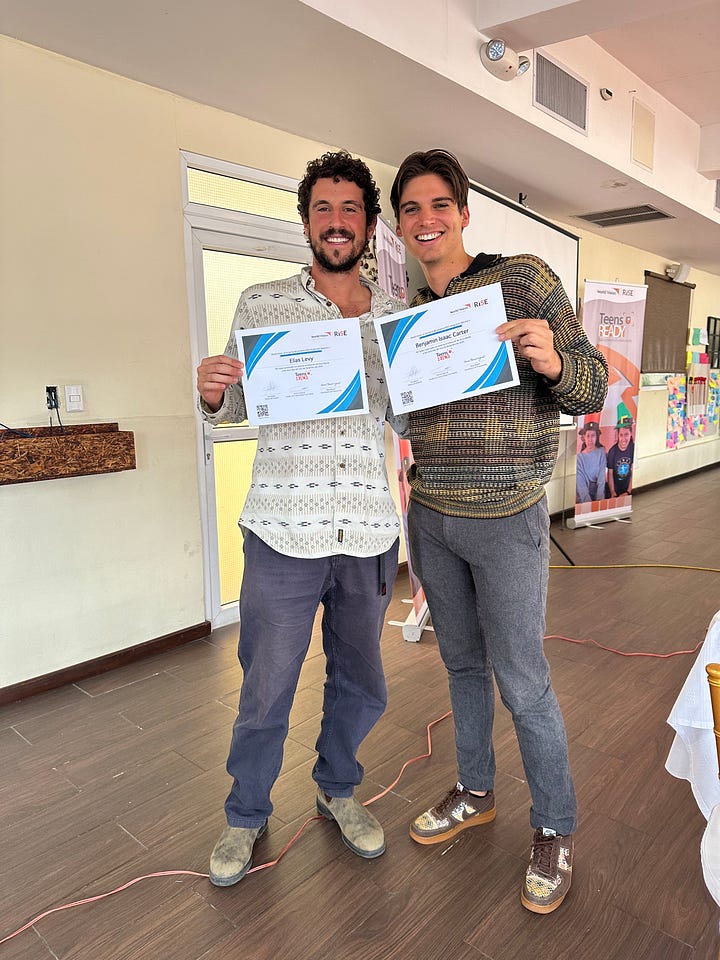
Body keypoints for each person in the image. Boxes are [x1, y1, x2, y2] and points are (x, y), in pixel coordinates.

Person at [389, 149, 608, 914]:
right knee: (460, 665)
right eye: (410, 209)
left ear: (462, 212)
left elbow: (590, 385)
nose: (425, 220)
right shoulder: (410, 316)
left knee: (523, 679)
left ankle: (554, 826)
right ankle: (476, 790)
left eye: (438, 205)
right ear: (400, 224)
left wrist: (552, 362)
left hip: (508, 517)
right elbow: (408, 418)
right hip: (432, 516)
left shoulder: (522, 280)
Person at [197, 150, 404, 887]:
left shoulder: (397, 316)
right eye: (324, 209)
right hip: (283, 528)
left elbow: (406, 417)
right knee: (266, 684)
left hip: (368, 529)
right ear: (307, 222)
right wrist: (212, 391)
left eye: (351, 210)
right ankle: (246, 813)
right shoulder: (262, 303)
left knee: (362, 680)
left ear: (369, 225)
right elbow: (232, 410)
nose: (337, 222)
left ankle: (338, 788)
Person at [575, 420, 607, 503]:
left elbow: (602, 477)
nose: (590, 439)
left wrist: (599, 501)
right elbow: (581, 484)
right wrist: (588, 504)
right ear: (584, 437)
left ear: (596, 437)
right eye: (588, 436)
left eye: (593, 435)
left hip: (599, 494)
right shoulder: (579, 458)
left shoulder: (601, 452)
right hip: (584, 498)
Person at [606, 419, 635, 498]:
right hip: (615, 487)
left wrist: (628, 492)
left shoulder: (633, 448)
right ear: (618, 435)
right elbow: (610, 473)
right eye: (621, 435)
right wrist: (613, 492)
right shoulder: (612, 451)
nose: (623, 438)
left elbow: (633, 471)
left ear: (631, 434)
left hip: (628, 487)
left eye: (626, 434)